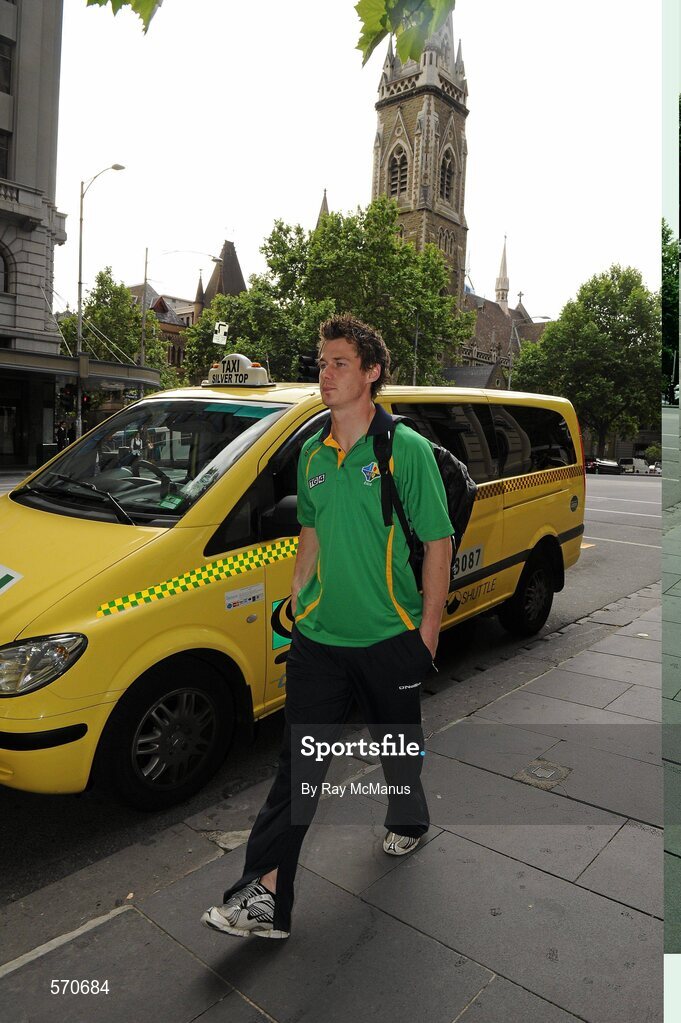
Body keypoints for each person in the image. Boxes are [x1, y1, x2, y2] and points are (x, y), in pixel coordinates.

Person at [202, 314, 453, 940]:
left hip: (389, 639)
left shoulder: (406, 452)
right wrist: (297, 597)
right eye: (321, 363)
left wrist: (427, 634)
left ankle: (409, 818)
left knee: (399, 751)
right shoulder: (313, 452)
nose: (326, 373)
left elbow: (440, 542)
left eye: (339, 362)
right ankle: (264, 897)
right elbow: (309, 529)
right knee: (297, 772)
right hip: (319, 645)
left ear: (371, 373)